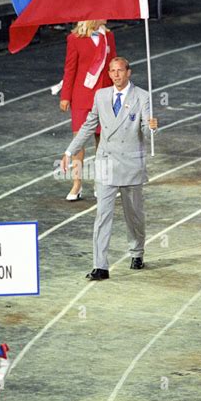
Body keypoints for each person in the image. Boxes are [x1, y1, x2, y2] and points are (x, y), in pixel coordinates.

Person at [61, 56, 158, 280]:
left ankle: (137, 251)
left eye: (119, 70)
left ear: (128, 72)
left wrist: (152, 127)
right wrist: (69, 151)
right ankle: (100, 266)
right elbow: (88, 125)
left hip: (131, 164)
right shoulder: (101, 95)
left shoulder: (142, 97)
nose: (115, 75)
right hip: (106, 162)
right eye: (112, 71)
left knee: (133, 215)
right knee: (102, 216)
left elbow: (145, 126)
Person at [59, 20, 117, 201]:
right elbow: (70, 69)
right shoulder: (74, 39)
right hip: (82, 96)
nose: (106, 16)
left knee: (103, 141)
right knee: (79, 141)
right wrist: (65, 96)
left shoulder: (108, 36)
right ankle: (77, 184)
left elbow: (114, 67)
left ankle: (101, 183)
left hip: (104, 96)